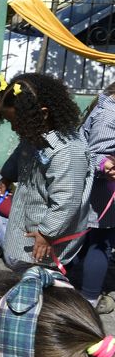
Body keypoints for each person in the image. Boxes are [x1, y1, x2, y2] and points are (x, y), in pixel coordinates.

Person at [0, 73, 92, 270]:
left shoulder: (67, 150)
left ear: (43, 114)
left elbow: (67, 199)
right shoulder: (34, 134)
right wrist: (7, 176)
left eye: (16, 122)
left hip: (50, 238)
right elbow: (20, 154)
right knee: (22, 267)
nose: (13, 128)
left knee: (41, 273)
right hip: (29, 224)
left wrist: (47, 233)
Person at [68, 81, 115, 312]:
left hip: (99, 191)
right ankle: (89, 300)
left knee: (87, 239)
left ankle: (68, 285)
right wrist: (105, 164)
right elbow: (96, 154)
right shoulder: (109, 115)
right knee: (100, 242)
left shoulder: (105, 108)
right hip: (102, 191)